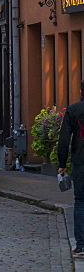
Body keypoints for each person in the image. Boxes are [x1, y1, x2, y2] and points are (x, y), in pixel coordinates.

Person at [58, 78, 84, 258]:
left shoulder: (73, 110)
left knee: (81, 202)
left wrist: (61, 163)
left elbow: (64, 139)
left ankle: (81, 245)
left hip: (80, 162)